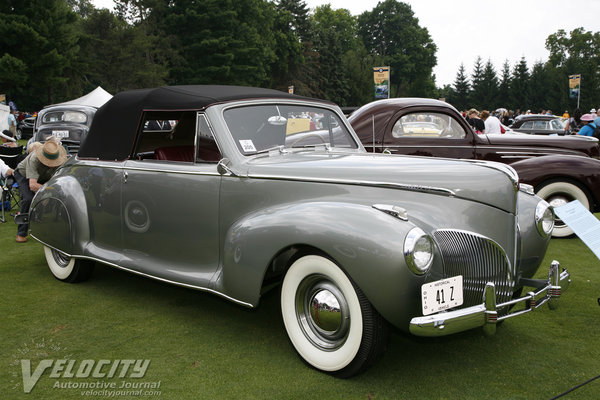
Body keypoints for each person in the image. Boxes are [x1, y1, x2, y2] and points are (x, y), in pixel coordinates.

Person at [13, 139, 67, 242]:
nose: (52, 164)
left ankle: (49, 225)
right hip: (23, 175)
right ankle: (21, 233)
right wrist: (50, 190)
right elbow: (33, 185)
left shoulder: (60, 160)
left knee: (59, 195)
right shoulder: (34, 159)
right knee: (28, 199)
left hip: (43, 177)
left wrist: (52, 191)